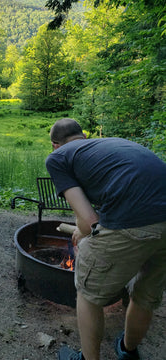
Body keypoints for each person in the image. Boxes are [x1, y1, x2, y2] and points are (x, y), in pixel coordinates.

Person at [45, 118, 166, 360]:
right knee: (145, 294)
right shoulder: (108, 146)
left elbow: (89, 220)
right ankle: (128, 351)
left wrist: (86, 236)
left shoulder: (57, 158)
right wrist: (85, 229)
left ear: (55, 145)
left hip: (131, 221)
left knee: (88, 294)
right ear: (83, 137)